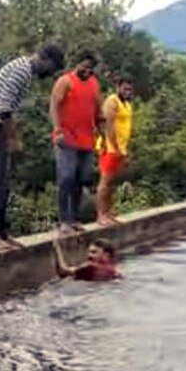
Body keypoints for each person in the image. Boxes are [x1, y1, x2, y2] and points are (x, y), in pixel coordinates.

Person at [0, 44, 65, 251]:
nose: (50, 73)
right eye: (51, 68)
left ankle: (1, 233)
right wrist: (12, 139)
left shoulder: (24, 69)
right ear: (44, 58)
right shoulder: (21, 71)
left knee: (4, 184)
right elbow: (4, 109)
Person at [49, 48, 104, 235]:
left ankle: (74, 217)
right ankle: (64, 219)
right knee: (66, 177)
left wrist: (102, 134)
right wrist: (57, 129)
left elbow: (98, 111)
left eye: (91, 69)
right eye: (85, 67)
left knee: (82, 178)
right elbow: (54, 105)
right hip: (66, 137)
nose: (87, 71)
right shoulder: (65, 81)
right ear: (77, 64)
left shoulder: (94, 84)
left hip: (86, 139)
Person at [95, 76, 134, 226]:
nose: (128, 92)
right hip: (111, 149)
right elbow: (108, 126)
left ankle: (108, 212)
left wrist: (125, 150)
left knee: (112, 183)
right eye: (125, 89)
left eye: (130, 89)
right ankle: (100, 214)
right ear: (118, 88)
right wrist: (115, 147)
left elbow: (125, 128)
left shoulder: (127, 105)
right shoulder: (112, 101)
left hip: (121, 149)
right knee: (105, 182)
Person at [52, 237, 121, 281]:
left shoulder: (90, 267)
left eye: (94, 252)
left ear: (106, 255)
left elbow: (63, 270)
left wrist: (57, 248)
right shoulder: (114, 269)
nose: (89, 255)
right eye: (89, 252)